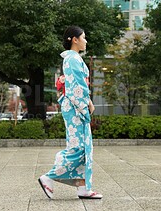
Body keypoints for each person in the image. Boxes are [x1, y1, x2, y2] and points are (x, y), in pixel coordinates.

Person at [38, 26, 102, 200]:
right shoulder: (73, 59)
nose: (86, 41)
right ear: (74, 39)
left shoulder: (73, 59)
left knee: (81, 146)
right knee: (78, 147)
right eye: (83, 37)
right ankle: (49, 177)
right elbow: (76, 86)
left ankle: (83, 188)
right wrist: (86, 103)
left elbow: (75, 83)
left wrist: (86, 101)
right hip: (75, 105)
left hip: (74, 104)